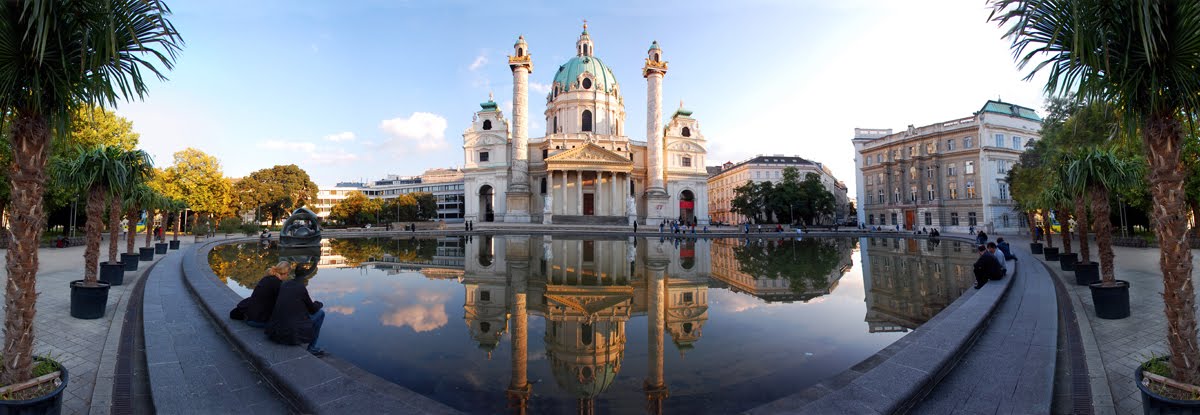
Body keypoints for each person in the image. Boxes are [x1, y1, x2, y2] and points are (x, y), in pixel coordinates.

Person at [266, 268, 327, 356]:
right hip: (289, 334)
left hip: (275, 332)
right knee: (321, 313)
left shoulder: (285, 284)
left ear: (295, 274)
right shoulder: (300, 287)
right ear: (305, 276)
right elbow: (312, 309)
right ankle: (312, 347)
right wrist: (319, 304)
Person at [230, 262, 289, 328]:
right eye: (288, 274)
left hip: (248, 315)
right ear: (285, 273)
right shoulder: (278, 284)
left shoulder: (266, 278)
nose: (287, 276)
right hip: (257, 321)